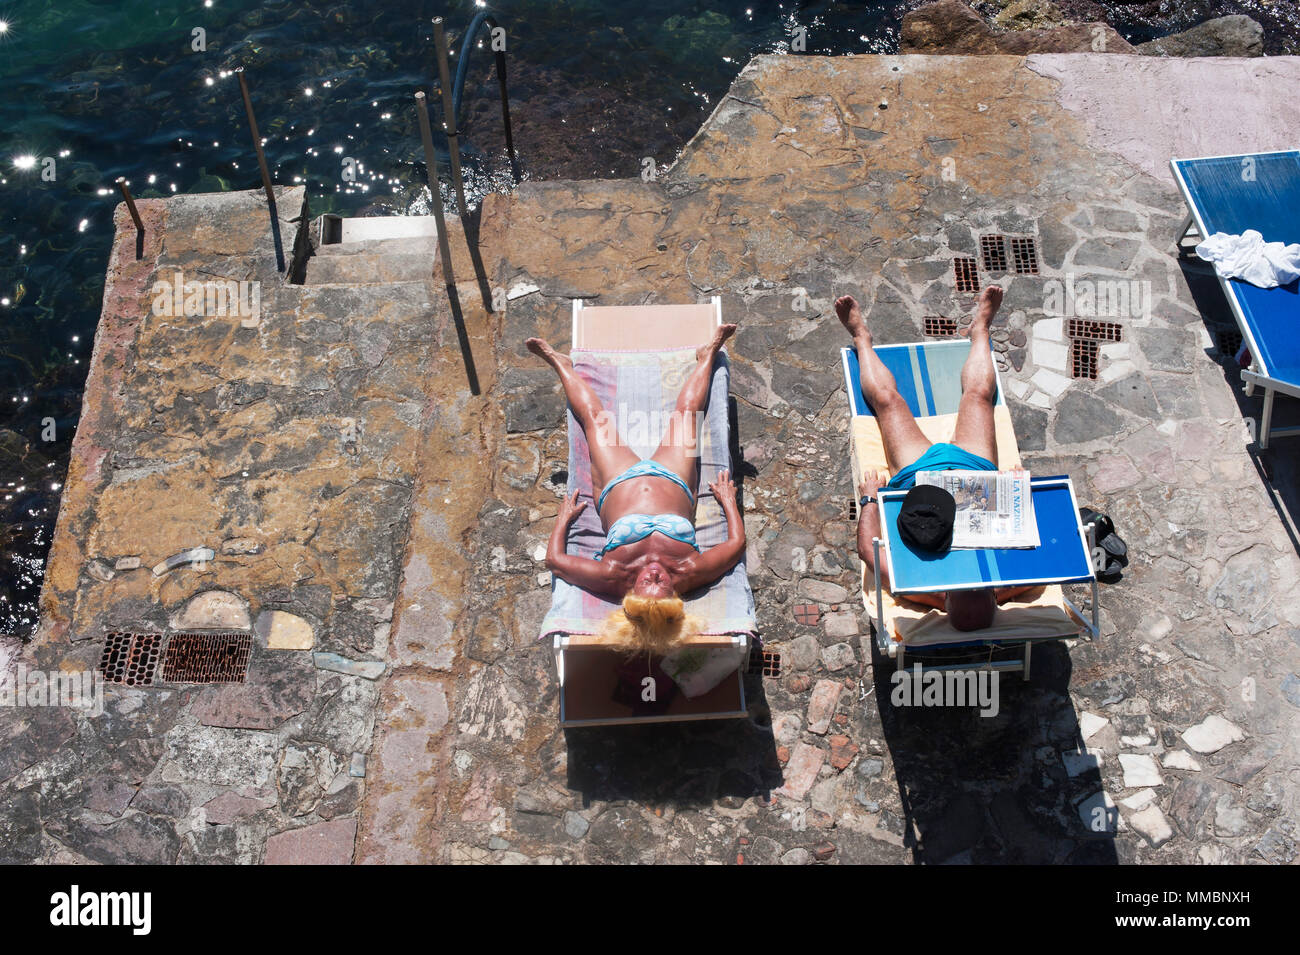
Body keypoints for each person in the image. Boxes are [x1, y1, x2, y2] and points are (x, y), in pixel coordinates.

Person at [527, 323, 745, 653]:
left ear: (632, 593)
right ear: (673, 594)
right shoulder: (690, 570)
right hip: (674, 479)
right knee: (688, 415)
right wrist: (729, 502)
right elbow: (736, 544)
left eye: (647, 582)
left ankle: (561, 364)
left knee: (595, 419)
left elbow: (555, 561)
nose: (654, 573)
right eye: (662, 583)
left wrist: (563, 519)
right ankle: (708, 354)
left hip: (619, 480)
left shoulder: (614, 576)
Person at [837, 285, 1032, 631]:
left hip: (918, 477)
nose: (975, 584)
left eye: (966, 589)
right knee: (979, 396)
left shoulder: (921, 588)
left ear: (948, 601)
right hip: (976, 472)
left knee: (888, 402)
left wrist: (869, 499)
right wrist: (1019, 494)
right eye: (982, 589)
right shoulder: (1010, 584)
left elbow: (869, 552)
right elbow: (1045, 545)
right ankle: (981, 329)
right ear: (994, 598)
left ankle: (861, 337)